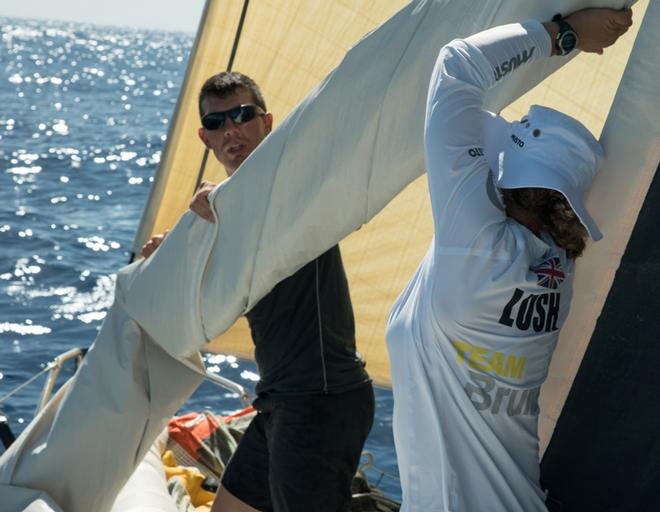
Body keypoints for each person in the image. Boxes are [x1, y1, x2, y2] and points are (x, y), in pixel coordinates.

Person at [385, 7, 632, 511]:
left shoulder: (476, 244)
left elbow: (458, 65)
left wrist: (566, 33)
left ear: (514, 178)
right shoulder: (557, 269)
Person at [142, 72, 374, 512]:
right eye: (217, 123)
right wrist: (175, 249)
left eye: (243, 115)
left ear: (267, 124)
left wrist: (220, 207)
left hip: (321, 403)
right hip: (280, 401)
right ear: (205, 138)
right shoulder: (224, 218)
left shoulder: (296, 186)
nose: (231, 129)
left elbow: (266, 207)